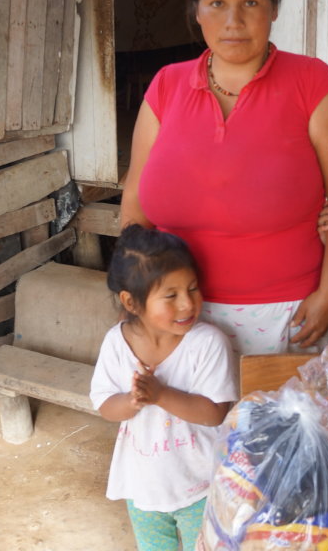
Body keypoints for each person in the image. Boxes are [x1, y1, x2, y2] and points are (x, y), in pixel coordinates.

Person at [120, 0, 328, 355]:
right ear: (196, 10)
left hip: (283, 315)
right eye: (216, 3)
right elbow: (134, 202)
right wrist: (140, 295)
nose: (233, 20)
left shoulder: (311, 83)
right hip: (175, 315)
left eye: (250, 2)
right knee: (186, 421)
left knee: (276, 421)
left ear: (274, 8)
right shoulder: (166, 86)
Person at [90, 225, 239, 551]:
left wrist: (160, 394)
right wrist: (132, 400)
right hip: (144, 488)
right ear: (131, 302)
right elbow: (104, 405)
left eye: (193, 288)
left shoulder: (207, 343)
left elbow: (214, 413)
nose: (187, 304)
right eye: (170, 296)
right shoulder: (117, 343)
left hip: (200, 484)